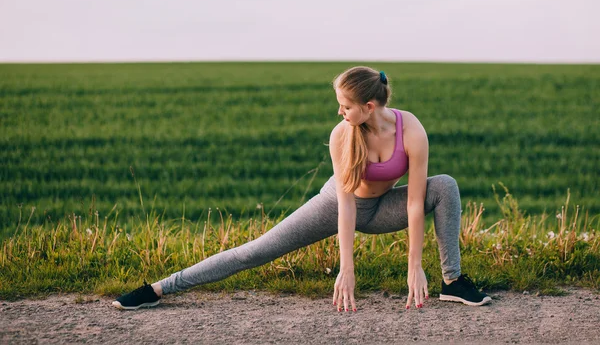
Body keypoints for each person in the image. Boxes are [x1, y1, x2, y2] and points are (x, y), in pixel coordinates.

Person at [112, 66, 492, 311]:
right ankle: (159, 289)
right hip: (337, 205)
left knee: (444, 186)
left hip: (385, 209)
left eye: (345, 106)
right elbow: (346, 208)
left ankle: (452, 281)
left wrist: (415, 266)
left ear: (370, 105)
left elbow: (414, 203)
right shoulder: (342, 136)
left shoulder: (411, 129)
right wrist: (347, 268)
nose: (339, 112)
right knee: (255, 251)